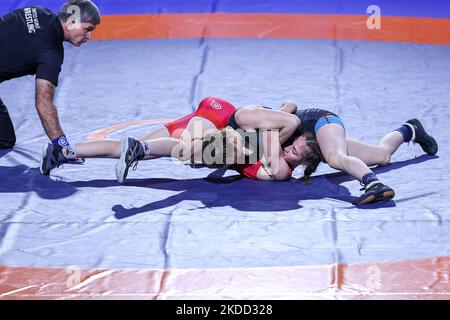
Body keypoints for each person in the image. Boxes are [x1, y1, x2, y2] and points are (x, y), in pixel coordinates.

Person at [40, 97, 305, 182]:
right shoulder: (266, 156)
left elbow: (290, 106)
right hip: (219, 117)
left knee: (142, 150)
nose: (292, 150)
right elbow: (290, 112)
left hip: (214, 113)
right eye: (295, 148)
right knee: (184, 151)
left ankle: (63, 153)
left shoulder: (267, 152)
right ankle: (140, 148)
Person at [0, 0, 100, 154]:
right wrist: (63, 147)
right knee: (4, 139)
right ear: (72, 21)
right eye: (88, 29)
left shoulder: (39, 11)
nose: (89, 36)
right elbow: (43, 103)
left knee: (5, 137)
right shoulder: (51, 53)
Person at [280, 108, 438, 205]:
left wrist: (283, 116)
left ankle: (374, 185)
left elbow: (290, 105)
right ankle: (410, 129)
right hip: (311, 142)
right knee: (382, 156)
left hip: (319, 122)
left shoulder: (261, 123)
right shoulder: (260, 143)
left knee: (335, 158)